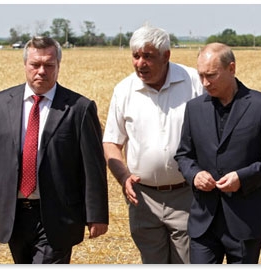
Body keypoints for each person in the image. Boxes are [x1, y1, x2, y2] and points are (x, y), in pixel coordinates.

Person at [0, 36, 109, 264]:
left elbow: (93, 168)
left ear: (58, 66)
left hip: (58, 216)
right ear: (25, 65)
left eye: (49, 65)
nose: (41, 71)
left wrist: (97, 215)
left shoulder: (79, 109)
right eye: (35, 65)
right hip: (13, 215)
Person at [174, 42, 261, 264]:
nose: (204, 83)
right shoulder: (194, 108)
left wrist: (243, 178)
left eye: (211, 75)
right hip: (204, 221)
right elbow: (184, 155)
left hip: (246, 221)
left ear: (232, 68)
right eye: (201, 75)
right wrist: (195, 175)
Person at [102, 25, 204, 264]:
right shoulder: (124, 90)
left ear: (166, 55)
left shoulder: (193, 82)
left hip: (187, 196)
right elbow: (111, 142)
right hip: (143, 199)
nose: (140, 63)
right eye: (136, 56)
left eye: (148, 56)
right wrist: (123, 177)